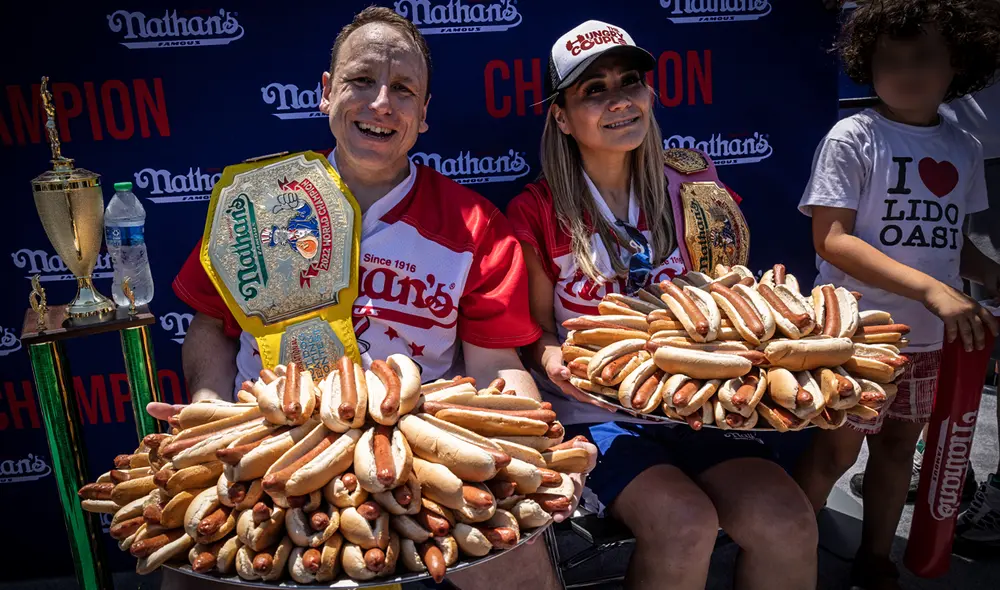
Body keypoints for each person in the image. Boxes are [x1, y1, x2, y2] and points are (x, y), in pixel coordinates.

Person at [154, 7, 595, 590]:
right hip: (267, 447)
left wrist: (532, 442)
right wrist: (210, 416)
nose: (381, 102)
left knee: (523, 573)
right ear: (325, 94)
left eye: (404, 89)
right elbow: (210, 323)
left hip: (418, 456)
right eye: (361, 81)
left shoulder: (474, 226)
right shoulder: (256, 203)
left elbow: (495, 365)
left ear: (424, 115)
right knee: (188, 574)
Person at [506, 20, 818, 590]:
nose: (619, 100)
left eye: (630, 82)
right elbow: (535, 335)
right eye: (593, 90)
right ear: (560, 116)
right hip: (593, 415)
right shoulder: (535, 210)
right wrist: (553, 362)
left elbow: (731, 295)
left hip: (695, 403)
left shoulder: (694, 184)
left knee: (788, 522)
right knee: (684, 525)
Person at [793, 2, 1000, 587]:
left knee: (895, 451)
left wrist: (988, 274)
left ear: (957, 62)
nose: (906, 70)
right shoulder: (853, 136)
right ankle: (785, 551)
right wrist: (935, 291)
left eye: (924, 57)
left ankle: (876, 557)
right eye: (890, 59)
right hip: (853, 333)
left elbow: (950, 241)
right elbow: (832, 239)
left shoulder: (963, 145)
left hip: (929, 339)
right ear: (867, 65)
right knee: (834, 454)